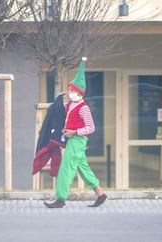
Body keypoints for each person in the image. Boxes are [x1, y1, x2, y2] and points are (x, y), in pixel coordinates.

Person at [44, 57, 107, 208]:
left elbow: (91, 128)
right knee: (82, 167)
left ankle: (60, 199)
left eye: (72, 90)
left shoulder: (83, 108)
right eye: (70, 89)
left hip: (77, 140)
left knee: (66, 167)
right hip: (73, 140)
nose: (70, 92)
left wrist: (74, 132)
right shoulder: (71, 105)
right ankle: (100, 193)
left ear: (79, 92)